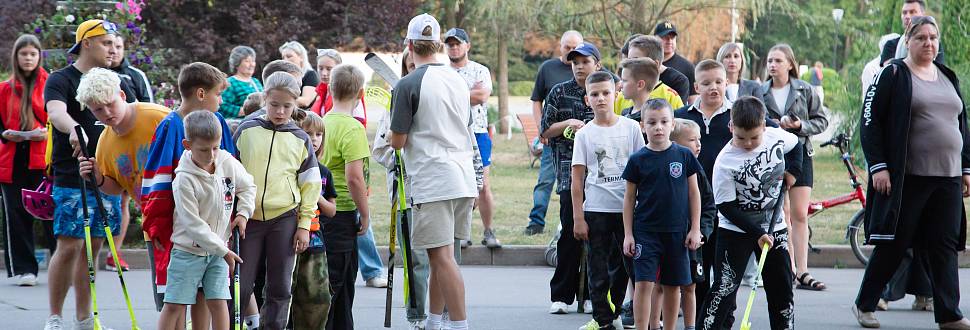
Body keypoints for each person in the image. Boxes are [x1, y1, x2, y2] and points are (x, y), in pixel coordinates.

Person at [853, 16, 970, 330]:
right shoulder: (893, 73)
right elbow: (870, 122)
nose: (929, 43)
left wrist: (966, 168)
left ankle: (949, 314)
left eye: (933, 38)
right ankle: (865, 304)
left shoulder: (947, 75)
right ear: (908, 40)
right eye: (922, 38)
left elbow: (962, 123)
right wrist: (879, 166)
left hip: (947, 177)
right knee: (895, 243)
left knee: (944, 245)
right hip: (909, 178)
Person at [388, 13, 478, 330]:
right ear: (439, 44)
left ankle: (459, 325)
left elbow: (398, 140)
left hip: (433, 177)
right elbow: (465, 126)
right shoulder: (458, 79)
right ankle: (434, 321)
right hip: (463, 176)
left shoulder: (408, 83)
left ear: (410, 45)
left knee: (441, 258)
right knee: (444, 254)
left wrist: (388, 133)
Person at [43, 19, 128, 330]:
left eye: (114, 43)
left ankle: (84, 317)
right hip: (71, 173)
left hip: (107, 174)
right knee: (69, 245)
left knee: (93, 246)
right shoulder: (60, 78)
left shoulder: (117, 79)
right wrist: (76, 129)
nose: (112, 48)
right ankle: (55, 316)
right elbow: (56, 112)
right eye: (106, 42)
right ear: (87, 43)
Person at [141, 62, 237, 330]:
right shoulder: (171, 126)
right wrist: (157, 225)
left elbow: (231, 171)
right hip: (179, 229)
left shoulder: (218, 124)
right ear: (201, 94)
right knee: (178, 297)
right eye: (219, 94)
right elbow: (156, 182)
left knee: (207, 294)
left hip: (213, 227)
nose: (222, 100)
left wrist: (236, 213)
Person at [699, 96, 802, 330]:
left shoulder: (775, 136)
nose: (748, 144)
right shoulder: (724, 162)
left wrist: (793, 173)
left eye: (754, 137)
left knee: (782, 287)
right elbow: (726, 207)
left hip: (774, 227)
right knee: (724, 287)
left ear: (764, 126)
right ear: (731, 127)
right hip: (735, 229)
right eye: (741, 138)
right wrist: (756, 232)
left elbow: (797, 147)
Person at [234, 71, 321, 330]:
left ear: (296, 104)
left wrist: (304, 225)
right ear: (264, 100)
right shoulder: (246, 130)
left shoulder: (300, 138)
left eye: (287, 106)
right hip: (247, 219)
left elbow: (310, 184)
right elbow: (229, 173)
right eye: (274, 105)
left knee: (280, 286)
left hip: (284, 219)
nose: (280, 111)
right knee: (241, 284)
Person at [155, 110, 256, 330]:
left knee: (219, 302)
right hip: (188, 252)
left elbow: (248, 186)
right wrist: (223, 251)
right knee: (174, 305)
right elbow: (193, 225)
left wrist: (243, 214)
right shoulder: (183, 179)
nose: (211, 155)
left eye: (216, 147)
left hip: (219, 251)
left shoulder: (226, 161)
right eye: (203, 149)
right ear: (187, 144)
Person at [571, 71, 644, 330]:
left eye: (606, 93)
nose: (601, 98)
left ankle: (623, 310)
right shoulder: (584, 134)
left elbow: (641, 170)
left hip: (627, 211)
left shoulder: (631, 128)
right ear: (587, 99)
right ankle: (603, 320)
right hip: (596, 210)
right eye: (595, 94)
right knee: (597, 267)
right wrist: (578, 217)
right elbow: (577, 179)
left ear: (617, 93)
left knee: (626, 265)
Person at [621, 99, 702, 330]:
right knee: (643, 283)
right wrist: (628, 234)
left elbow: (693, 194)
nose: (658, 127)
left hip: (676, 233)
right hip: (645, 232)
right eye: (652, 122)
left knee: (672, 285)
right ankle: (642, 326)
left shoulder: (684, 155)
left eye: (664, 122)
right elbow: (628, 199)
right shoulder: (637, 159)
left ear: (672, 124)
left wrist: (695, 229)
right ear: (643, 125)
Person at [756, 44, 828, 292]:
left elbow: (821, 121)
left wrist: (799, 126)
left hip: (801, 156)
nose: (772, 65)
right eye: (769, 61)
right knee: (779, 215)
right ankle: (787, 267)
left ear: (790, 64)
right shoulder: (760, 91)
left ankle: (803, 269)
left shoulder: (804, 89)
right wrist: (771, 124)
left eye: (777, 60)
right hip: (771, 157)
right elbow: (752, 121)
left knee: (798, 213)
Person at [372, 47, 432, 329]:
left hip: (437, 188)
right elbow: (381, 150)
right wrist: (399, 158)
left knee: (444, 258)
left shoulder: (436, 101)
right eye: (409, 67)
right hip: (407, 193)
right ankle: (417, 315)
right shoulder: (393, 104)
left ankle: (441, 314)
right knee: (415, 260)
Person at [541, 41, 602, 316]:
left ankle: (592, 294)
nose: (579, 66)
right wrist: (567, 125)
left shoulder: (607, 92)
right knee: (571, 232)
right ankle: (562, 295)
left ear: (597, 65)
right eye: (575, 62)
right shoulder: (559, 92)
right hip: (568, 171)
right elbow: (546, 130)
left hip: (602, 174)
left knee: (599, 236)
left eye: (585, 62)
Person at [316, 64, 371, 329]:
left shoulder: (322, 123)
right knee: (339, 285)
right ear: (360, 94)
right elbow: (354, 178)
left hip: (322, 211)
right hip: (343, 212)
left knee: (325, 282)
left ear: (331, 90)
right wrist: (366, 213)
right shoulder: (353, 129)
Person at [0, 34, 52, 287]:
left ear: (39, 56)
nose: (28, 58)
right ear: (16, 57)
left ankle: (60, 265)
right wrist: (5, 133)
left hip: (43, 158)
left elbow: (57, 119)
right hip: (12, 159)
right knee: (16, 215)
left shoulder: (50, 84)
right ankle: (25, 269)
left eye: (33, 54)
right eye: (24, 54)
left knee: (52, 212)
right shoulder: (3, 89)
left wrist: (44, 131)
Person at [444, 27, 501, 249]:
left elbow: (482, 96)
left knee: (483, 185)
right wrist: (468, 94)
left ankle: (488, 230)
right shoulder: (442, 72)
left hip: (477, 132)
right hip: (451, 132)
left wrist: (453, 96)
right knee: (457, 184)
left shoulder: (480, 71)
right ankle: (461, 232)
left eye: (458, 43)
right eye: (450, 43)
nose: (454, 47)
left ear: (467, 45)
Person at [524, 30, 583, 236]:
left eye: (576, 48)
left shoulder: (587, 68)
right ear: (560, 46)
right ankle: (536, 221)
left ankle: (566, 224)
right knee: (545, 180)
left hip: (580, 141)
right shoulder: (548, 68)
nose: (572, 52)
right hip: (553, 136)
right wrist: (541, 127)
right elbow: (536, 100)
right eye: (568, 48)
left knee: (572, 186)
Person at [291, 111, 337, 329]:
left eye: (319, 134)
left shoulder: (324, 172)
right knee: (287, 294)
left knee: (316, 297)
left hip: (315, 242)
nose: (315, 139)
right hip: (288, 239)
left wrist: (315, 194)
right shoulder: (291, 167)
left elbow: (331, 210)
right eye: (309, 133)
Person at [669, 118, 717, 330]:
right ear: (676, 143)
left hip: (691, 240)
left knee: (690, 286)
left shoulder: (697, 171)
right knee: (662, 287)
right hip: (665, 237)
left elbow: (709, 206)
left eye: (699, 139)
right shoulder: (664, 166)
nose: (698, 144)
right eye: (692, 140)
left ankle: (691, 326)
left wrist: (701, 232)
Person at [310, 49, 368, 125]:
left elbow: (359, 121)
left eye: (329, 69)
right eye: (320, 68)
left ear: (338, 68)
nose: (324, 73)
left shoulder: (350, 90)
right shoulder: (321, 91)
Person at [627, 35, 688, 107]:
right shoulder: (622, 96)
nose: (629, 66)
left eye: (636, 61)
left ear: (655, 64)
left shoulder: (671, 97)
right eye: (628, 61)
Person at [880, 0, 944, 65]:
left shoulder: (933, 44)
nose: (907, 16)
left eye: (912, 12)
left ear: (923, 15)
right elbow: (889, 71)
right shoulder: (891, 45)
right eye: (904, 13)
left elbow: (937, 71)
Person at [654, 21, 696, 103]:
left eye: (672, 37)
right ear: (654, 38)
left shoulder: (687, 67)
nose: (669, 40)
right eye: (664, 37)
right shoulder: (648, 65)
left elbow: (693, 101)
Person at [219, 46, 263, 120]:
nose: (251, 64)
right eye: (247, 61)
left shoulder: (256, 81)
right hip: (238, 125)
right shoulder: (230, 82)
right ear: (237, 64)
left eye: (253, 61)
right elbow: (223, 105)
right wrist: (246, 111)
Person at [109, 34, 153, 103]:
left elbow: (148, 105)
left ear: (124, 49)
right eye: (110, 47)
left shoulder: (136, 74)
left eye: (118, 47)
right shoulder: (97, 73)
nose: (114, 51)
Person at [279, 41, 319, 108]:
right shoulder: (284, 77)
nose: (285, 60)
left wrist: (280, 99)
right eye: (283, 57)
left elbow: (306, 101)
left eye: (289, 56)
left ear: (301, 57)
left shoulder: (310, 75)